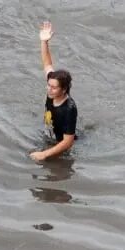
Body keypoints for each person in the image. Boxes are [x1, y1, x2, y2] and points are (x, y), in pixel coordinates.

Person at [30, 20, 77, 162]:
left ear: (63, 90)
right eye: (48, 85)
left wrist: (44, 154)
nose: (49, 89)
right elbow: (47, 64)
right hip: (49, 134)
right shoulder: (52, 86)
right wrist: (44, 42)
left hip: (61, 145)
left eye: (53, 87)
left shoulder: (69, 109)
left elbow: (68, 142)